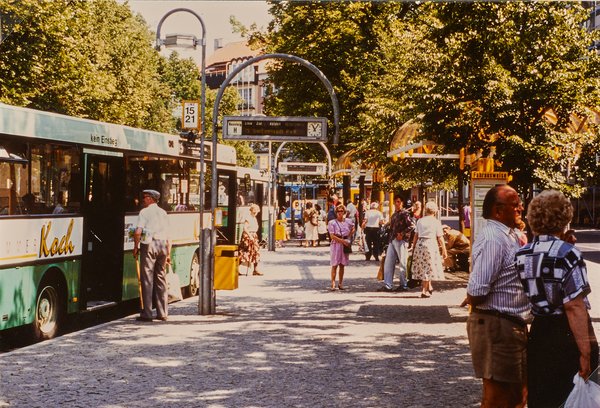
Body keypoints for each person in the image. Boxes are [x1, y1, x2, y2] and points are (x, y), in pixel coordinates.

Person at [515, 190, 598, 407]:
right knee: (573, 396)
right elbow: (574, 306)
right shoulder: (568, 253)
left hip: (540, 332)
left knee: (543, 397)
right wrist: (586, 353)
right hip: (568, 335)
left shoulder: (522, 254)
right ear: (564, 218)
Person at [463, 185, 529, 408]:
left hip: (506, 324)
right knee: (498, 398)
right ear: (498, 211)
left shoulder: (507, 235)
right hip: (497, 325)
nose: (521, 207)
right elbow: (477, 290)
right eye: (515, 204)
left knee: (514, 395)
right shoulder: (494, 238)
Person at [133, 189, 171, 322]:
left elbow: (138, 232)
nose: (143, 200)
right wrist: (168, 253)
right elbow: (168, 235)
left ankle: (147, 313)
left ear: (150, 199)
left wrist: (136, 246)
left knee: (147, 279)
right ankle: (163, 313)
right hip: (162, 246)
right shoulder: (163, 213)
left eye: (145, 197)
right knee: (161, 278)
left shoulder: (144, 212)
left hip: (149, 245)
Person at [378, 196, 414, 292]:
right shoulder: (394, 215)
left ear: (402, 202)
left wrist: (402, 234)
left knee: (402, 262)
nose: (396, 204)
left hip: (401, 240)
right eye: (395, 202)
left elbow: (412, 225)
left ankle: (404, 284)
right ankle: (388, 285)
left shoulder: (405, 213)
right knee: (388, 262)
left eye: (398, 201)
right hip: (392, 240)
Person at [411, 201, 447, 298]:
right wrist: (444, 250)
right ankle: (424, 290)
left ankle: (429, 287)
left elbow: (416, 235)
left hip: (420, 244)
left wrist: (413, 247)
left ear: (425, 210)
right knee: (429, 267)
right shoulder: (436, 222)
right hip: (431, 244)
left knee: (424, 267)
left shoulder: (420, 221)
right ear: (435, 211)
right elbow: (440, 237)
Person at [327, 204, 354, 291]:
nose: (340, 213)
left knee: (342, 265)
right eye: (338, 211)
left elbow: (353, 228)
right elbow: (332, 236)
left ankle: (341, 283)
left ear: (344, 212)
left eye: (341, 211)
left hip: (344, 244)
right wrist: (343, 241)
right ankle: (333, 283)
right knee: (334, 264)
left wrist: (348, 237)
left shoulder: (348, 221)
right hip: (336, 244)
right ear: (336, 212)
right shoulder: (332, 223)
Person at [239, 203, 263, 276]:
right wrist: (250, 236)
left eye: (256, 211)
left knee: (255, 252)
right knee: (245, 252)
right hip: (248, 236)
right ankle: (235, 268)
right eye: (255, 211)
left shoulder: (254, 218)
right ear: (252, 211)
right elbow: (245, 228)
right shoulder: (248, 217)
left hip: (253, 236)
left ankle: (255, 269)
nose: (256, 213)